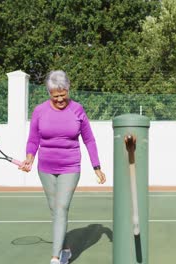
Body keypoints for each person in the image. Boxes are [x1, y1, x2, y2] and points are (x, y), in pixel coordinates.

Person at [19, 70, 106, 264]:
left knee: (61, 207)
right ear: (49, 93)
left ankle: (55, 258)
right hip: (45, 167)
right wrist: (29, 157)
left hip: (70, 165)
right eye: (55, 95)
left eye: (63, 94)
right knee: (55, 210)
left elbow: (89, 139)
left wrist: (96, 166)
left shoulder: (77, 109)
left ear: (68, 89)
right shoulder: (40, 111)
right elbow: (33, 139)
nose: (60, 99)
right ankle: (65, 249)